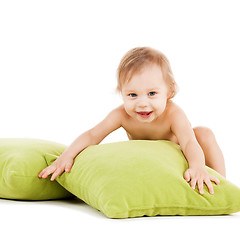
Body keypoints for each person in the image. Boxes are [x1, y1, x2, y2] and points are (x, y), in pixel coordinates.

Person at [38, 47, 226, 195]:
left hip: (179, 157)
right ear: (122, 93)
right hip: (151, 163)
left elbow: (189, 142)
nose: (142, 104)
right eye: (132, 95)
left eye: (152, 94)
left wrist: (197, 167)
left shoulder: (174, 114)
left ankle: (222, 183)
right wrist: (66, 156)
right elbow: (92, 135)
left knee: (204, 133)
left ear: (169, 91)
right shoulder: (121, 115)